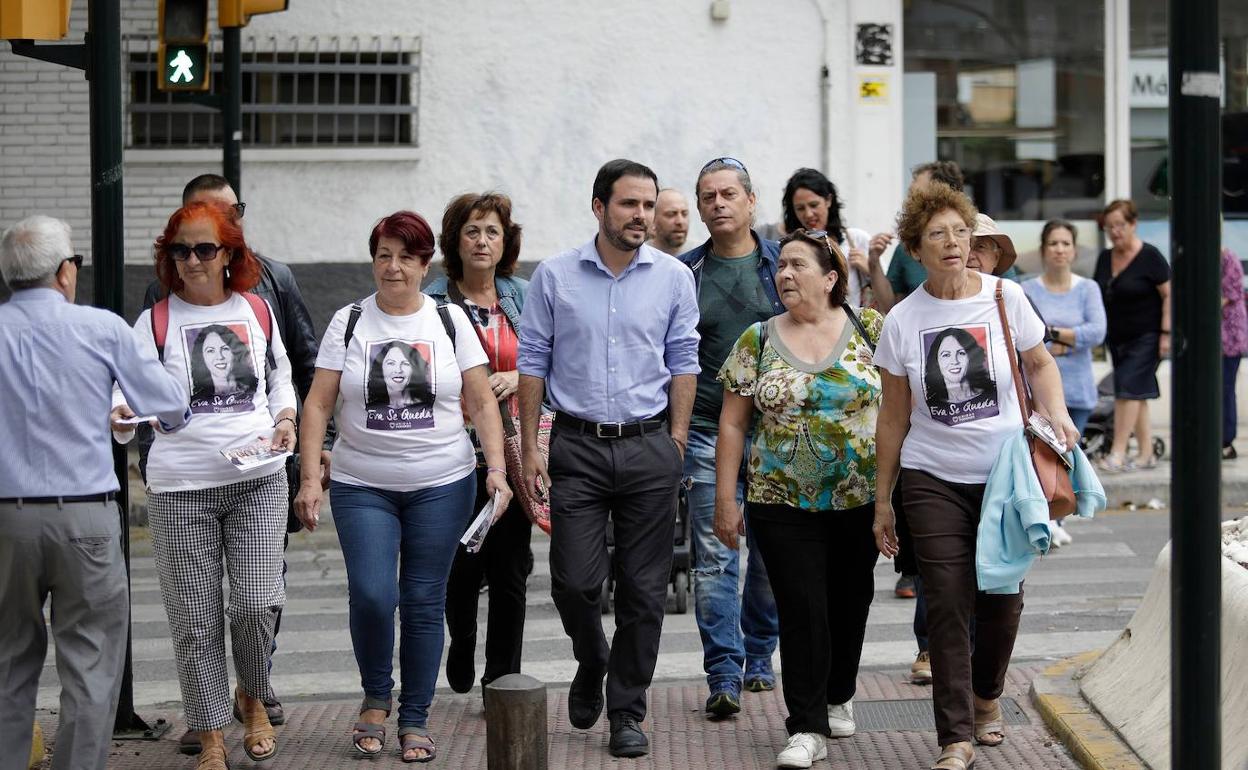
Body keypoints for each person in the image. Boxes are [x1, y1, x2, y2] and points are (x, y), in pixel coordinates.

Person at [872, 181, 1077, 770]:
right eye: (938, 234)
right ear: (916, 247)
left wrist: (1058, 416)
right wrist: (883, 499)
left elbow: (1039, 363)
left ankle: (988, 696)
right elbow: (892, 416)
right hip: (931, 477)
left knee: (1002, 600)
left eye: (961, 232)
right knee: (946, 601)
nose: (953, 243)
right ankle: (954, 737)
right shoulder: (904, 321)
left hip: (1005, 476)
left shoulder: (1004, 298)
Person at [294, 210, 511, 762]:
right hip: (362, 482)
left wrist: (496, 470)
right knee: (372, 593)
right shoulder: (348, 322)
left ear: (423, 264)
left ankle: (414, 716)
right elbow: (318, 402)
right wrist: (311, 477)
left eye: (406, 257)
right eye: (383, 255)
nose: (393, 267)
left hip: (442, 482)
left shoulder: (449, 320)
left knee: (421, 600)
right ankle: (374, 696)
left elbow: (482, 400)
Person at [518, 159, 700, 759]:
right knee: (574, 583)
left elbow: (684, 361)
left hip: (650, 446)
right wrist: (529, 446)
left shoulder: (674, 277)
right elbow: (533, 362)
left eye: (649, 205)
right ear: (599, 207)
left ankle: (628, 710)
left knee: (646, 594)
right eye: (629, 205)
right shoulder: (555, 276)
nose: (641, 216)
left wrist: (674, 440)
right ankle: (591, 657)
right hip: (577, 445)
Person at [111, 201, 298, 769]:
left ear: (230, 255)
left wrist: (286, 419)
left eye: (204, 249)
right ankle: (213, 731)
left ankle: (251, 691)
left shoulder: (258, 311)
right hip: (179, 485)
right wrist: (122, 413)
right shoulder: (156, 320)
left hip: (258, 478)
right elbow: (128, 391)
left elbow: (281, 379)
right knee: (193, 617)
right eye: (180, 250)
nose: (191, 260)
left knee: (257, 602)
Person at [0, 216, 190, 770]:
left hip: (7, 520)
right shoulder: (102, 329)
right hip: (86, 516)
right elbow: (169, 403)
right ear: (65, 272)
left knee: (9, 661)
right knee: (89, 662)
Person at [715, 228, 883, 768]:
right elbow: (733, 425)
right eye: (780, 266)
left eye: (798, 266)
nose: (785, 275)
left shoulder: (871, 328)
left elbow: (902, 413)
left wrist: (894, 495)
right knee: (801, 608)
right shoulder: (757, 338)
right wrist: (725, 497)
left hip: (860, 498)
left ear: (832, 277)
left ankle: (838, 694)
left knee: (851, 602)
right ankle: (805, 727)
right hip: (779, 500)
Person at [675, 157, 781, 717]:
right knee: (715, 557)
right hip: (705, 434)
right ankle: (724, 672)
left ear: (749, 201)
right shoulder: (684, 274)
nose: (717, 204)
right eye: (707, 196)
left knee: (768, 557)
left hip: (780, 437)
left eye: (727, 194)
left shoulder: (782, 266)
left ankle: (760, 654)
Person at [425, 192, 533, 695]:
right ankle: (463, 638)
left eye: (492, 231)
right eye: (472, 231)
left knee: (511, 571)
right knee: (462, 568)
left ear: (505, 239)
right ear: (455, 241)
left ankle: (502, 677)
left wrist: (518, 376)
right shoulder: (432, 303)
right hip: (456, 454)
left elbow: (557, 364)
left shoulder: (526, 296)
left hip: (515, 452)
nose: (482, 241)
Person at [1091, 199, 1171, 472]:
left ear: (1133, 224)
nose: (1115, 232)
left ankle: (1118, 453)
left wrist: (1166, 333)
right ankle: (1147, 452)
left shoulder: (1150, 256)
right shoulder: (1105, 257)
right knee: (1136, 393)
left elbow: (1170, 294)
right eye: (1109, 227)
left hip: (1147, 335)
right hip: (1117, 337)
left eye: (1120, 225)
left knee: (1126, 390)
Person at [867, 161, 966, 314]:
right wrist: (873, 263)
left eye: (915, 194)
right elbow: (890, 307)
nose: (909, 202)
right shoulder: (908, 246)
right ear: (916, 251)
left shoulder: (980, 238)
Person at [781, 167, 873, 307]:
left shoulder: (857, 240)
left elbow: (889, 295)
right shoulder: (786, 251)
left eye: (814, 205)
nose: (808, 214)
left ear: (828, 200)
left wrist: (870, 269)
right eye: (800, 208)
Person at [1222, 247, 1248, 459]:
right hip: (1213, 341)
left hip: (1230, 340)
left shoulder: (1228, 258)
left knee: (1225, 388)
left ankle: (1225, 441)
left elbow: (1230, 294)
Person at [365, 341, 433, 410]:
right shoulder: (372, 406)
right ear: (380, 368)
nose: (398, 370)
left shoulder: (426, 403)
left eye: (405, 363)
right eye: (391, 363)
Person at [647, 187, 690, 255]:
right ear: (653, 219)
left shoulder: (702, 255)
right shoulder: (638, 256)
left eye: (684, 214)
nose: (680, 221)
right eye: (671, 214)